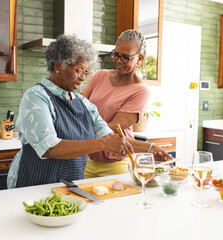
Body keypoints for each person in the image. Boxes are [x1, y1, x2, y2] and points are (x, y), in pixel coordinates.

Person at [7, 34, 134, 188]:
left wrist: (149, 149)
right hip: (36, 185)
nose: (83, 78)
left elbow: (110, 137)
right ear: (58, 65)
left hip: (71, 187)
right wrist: (103, 144)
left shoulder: (83, 103)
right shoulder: (36, 96)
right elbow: (50, 147)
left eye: (86, 72)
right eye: (79, 70)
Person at [81, 29, 172, 178]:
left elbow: (110, 129)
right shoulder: (100, 76)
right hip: (86, 158)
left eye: (125, 57)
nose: (118, 60)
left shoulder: (141, 90)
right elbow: (76, 107)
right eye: (116, 54)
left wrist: (149, 147)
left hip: (117, 164)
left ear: (140, 58)